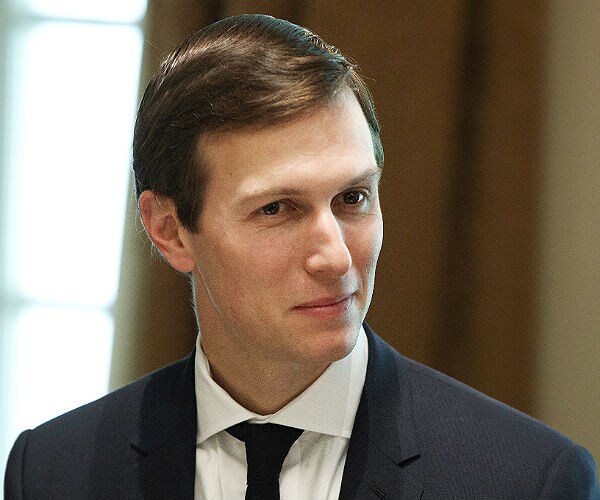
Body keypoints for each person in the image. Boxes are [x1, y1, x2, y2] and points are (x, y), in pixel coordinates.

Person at [4, 13, 599, 500]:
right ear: (170, 231)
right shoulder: (52, 471)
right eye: (277, 209)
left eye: (353, 198)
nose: (336, 257)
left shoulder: (530, 481)